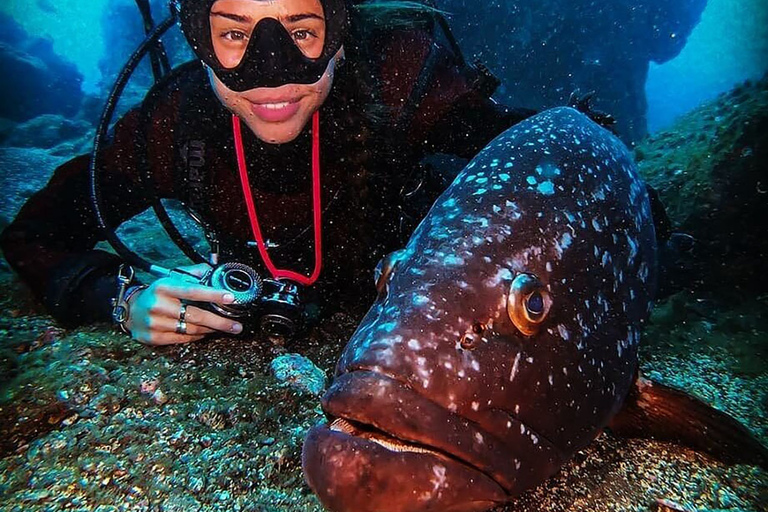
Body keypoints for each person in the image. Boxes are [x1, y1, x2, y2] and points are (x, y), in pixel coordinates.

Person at [1, 0, 610, 346]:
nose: (272, 72)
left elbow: (541, 148)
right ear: (198, 42)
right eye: (235, 34)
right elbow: (33, 235)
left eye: (301, 31)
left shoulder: (398, 80)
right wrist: (118, 296)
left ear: (342, 36)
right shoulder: (174, 126)